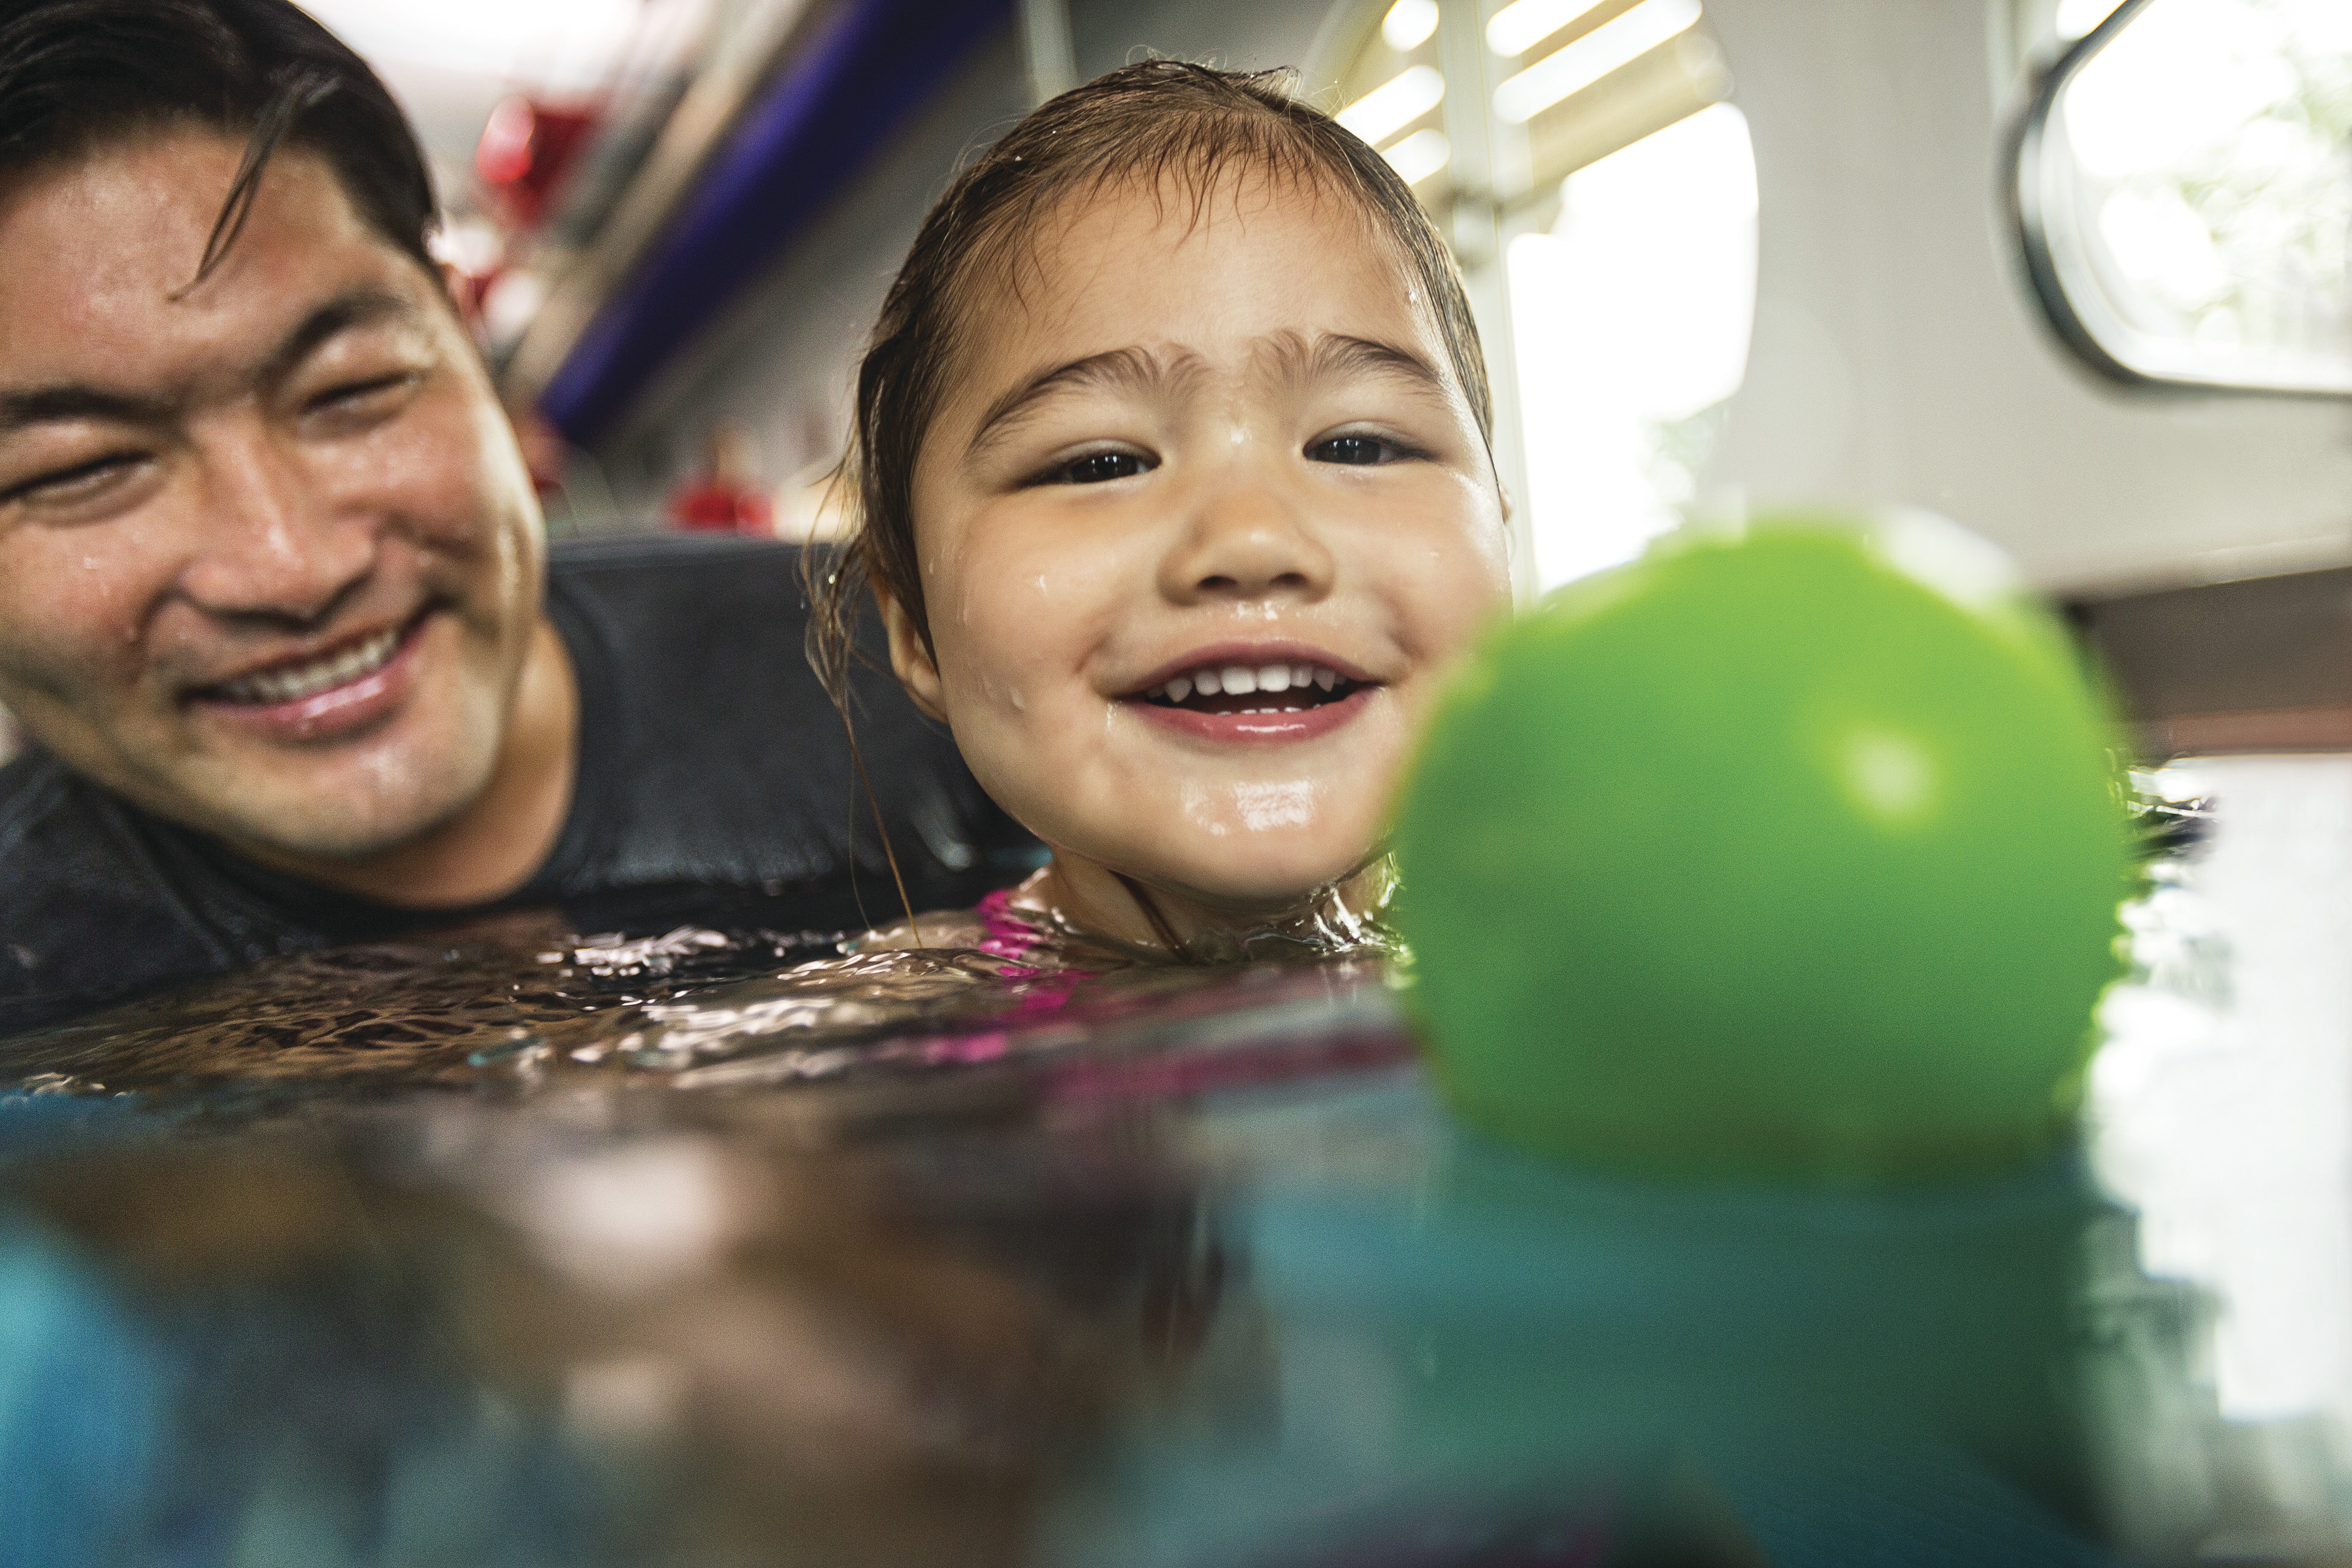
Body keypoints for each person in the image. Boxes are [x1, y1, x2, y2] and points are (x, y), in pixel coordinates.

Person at [0, 0, 1026, 1034]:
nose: (293, 567)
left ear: (464, 337)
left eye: (349, 391)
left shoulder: (911, 671)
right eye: (82, 469)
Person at [812, 61, 1514, 963]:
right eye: (1100, 464)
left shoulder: (1627, 950)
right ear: (912, 624)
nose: (1252, 540)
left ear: (1499, 528)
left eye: (1358, 446)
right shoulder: (876, 1042)